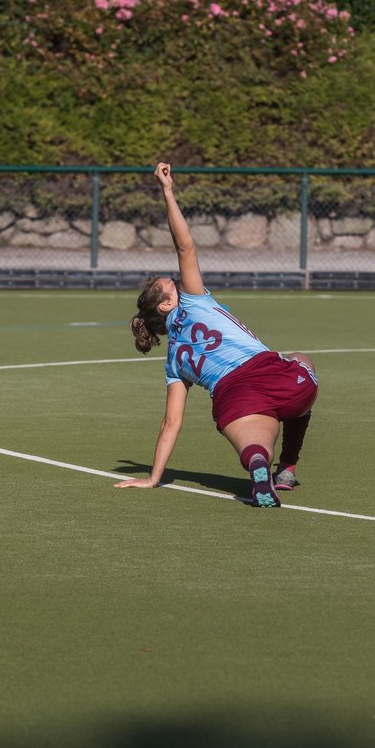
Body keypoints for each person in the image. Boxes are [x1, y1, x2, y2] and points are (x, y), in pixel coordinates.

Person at [113, 163, 318, 508]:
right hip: (273, 375)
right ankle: (287, 468)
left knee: (255, 447)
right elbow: (185, 247)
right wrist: (167, 191)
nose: (175, 281)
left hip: (233, 399)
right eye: (169, 285)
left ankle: (259, 465)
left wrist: (152, 478)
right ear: (165, 305)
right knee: (300, 359)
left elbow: (171, 423)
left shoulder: (174, 361)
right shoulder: (193, 302)